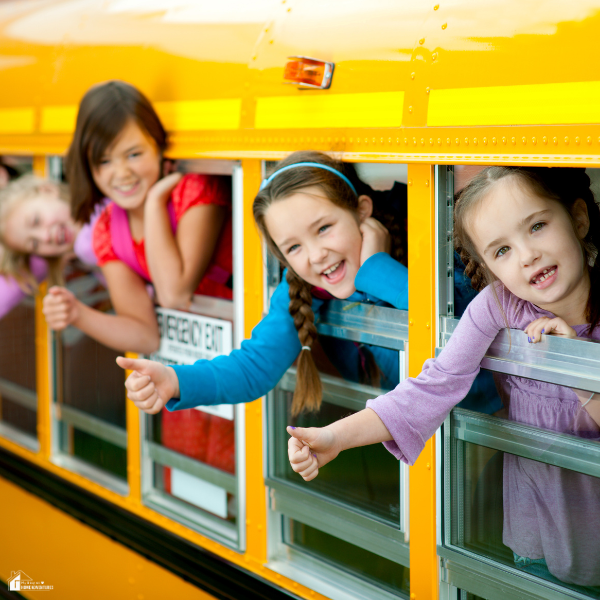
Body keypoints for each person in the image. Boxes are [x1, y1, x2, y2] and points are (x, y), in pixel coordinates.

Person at [287, 166, 600, 587]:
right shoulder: (499, 306)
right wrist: (335, 437)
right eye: (501, 251)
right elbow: (432, 387)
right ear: (487, 266)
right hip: (534, 538)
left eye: (538, 226)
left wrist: (577, 365)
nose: (527, 255)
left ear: (578, 218)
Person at [116, 150, 409, 416]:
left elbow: (452, 334)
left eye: (323, 228)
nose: (316, 255)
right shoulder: (301, 288)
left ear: (361, 211)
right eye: (293, 248)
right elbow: (252, 368)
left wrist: (375, 270)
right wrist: (174, 379)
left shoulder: (427, 250)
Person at [41, 80, 232, 354]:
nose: (121, 173)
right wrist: (77, 314)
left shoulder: (194, 190)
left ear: (157, 147)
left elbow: (174, 293)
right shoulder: (109, 228)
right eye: (104, 161)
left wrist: (155, 204)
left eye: (133, 155)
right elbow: (145, 337)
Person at [0, 174, 102, 319]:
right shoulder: (94, 261)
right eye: (34, 244)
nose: (45, 237)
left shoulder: (110, 198)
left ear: (48, 190)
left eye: (36, 221)